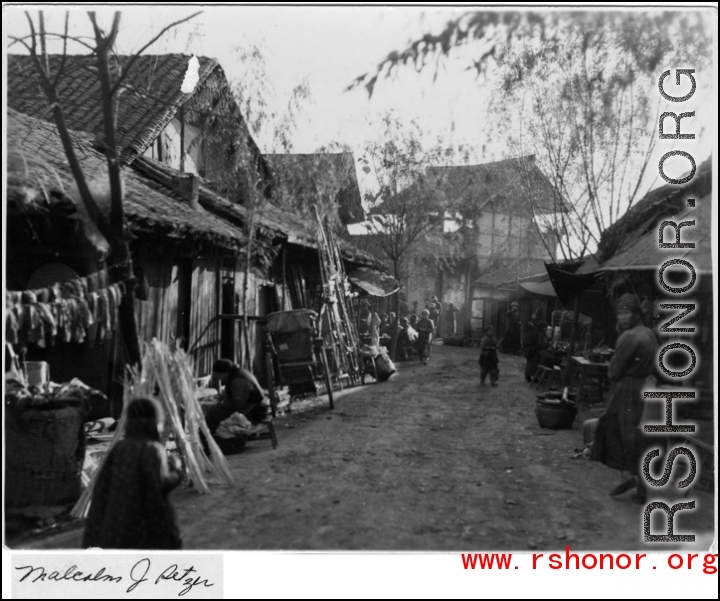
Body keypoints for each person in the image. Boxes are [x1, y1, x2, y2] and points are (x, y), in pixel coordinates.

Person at [83, 397, 182, 549]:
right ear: (156, 422)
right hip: (145, 529)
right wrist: (176, 471)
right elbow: (159, 486)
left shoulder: (119, 448)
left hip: (117, 526)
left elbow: (101, 488)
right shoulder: (153, 450)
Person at [590, 294, 658, 504]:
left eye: (627, 312)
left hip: (627, 391)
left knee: (615, 432)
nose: (622, 317)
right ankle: (641, 487)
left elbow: (614, 372)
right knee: (639, 438)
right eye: (620, 312)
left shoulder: (629, 337)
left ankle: (632, 477)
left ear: (637, 313)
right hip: (645, 389)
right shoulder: (649, 334)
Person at [205, 359, 268, 454]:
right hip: (249, 406)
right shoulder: (237, 373)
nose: (220, 379)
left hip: (254, 411)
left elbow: (238, 403)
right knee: (214, 414)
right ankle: (211, 443)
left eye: (220, 377)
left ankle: (210, 445)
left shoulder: (238, 379)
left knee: (212, 416)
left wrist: (222, 406)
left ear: (224, 373)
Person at [522, 312, 542, 382]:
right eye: (533, 315)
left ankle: (531, 376)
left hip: (531, 347)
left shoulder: (535, 325)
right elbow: (531, 337)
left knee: (532, 363)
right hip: (530, 347)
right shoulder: (529, 326)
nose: (534, 316)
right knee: (532, 362)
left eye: (535, 315)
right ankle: (530, 376)